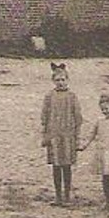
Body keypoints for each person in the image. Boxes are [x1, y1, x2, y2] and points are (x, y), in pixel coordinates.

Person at [40, 61, 82, 206]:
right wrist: (45, 135)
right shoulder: (49, 97)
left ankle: (67, 196)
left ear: (67, 80)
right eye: (57, 80)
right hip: (54, 137)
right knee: (56, 166)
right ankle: (57, 196)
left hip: (68, 136)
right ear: (53, 81)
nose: (60, 83)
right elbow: (44, 117)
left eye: (63, 80)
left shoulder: (72, 97)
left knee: (67, 166)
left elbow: (78, 118)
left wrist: (77, 138)